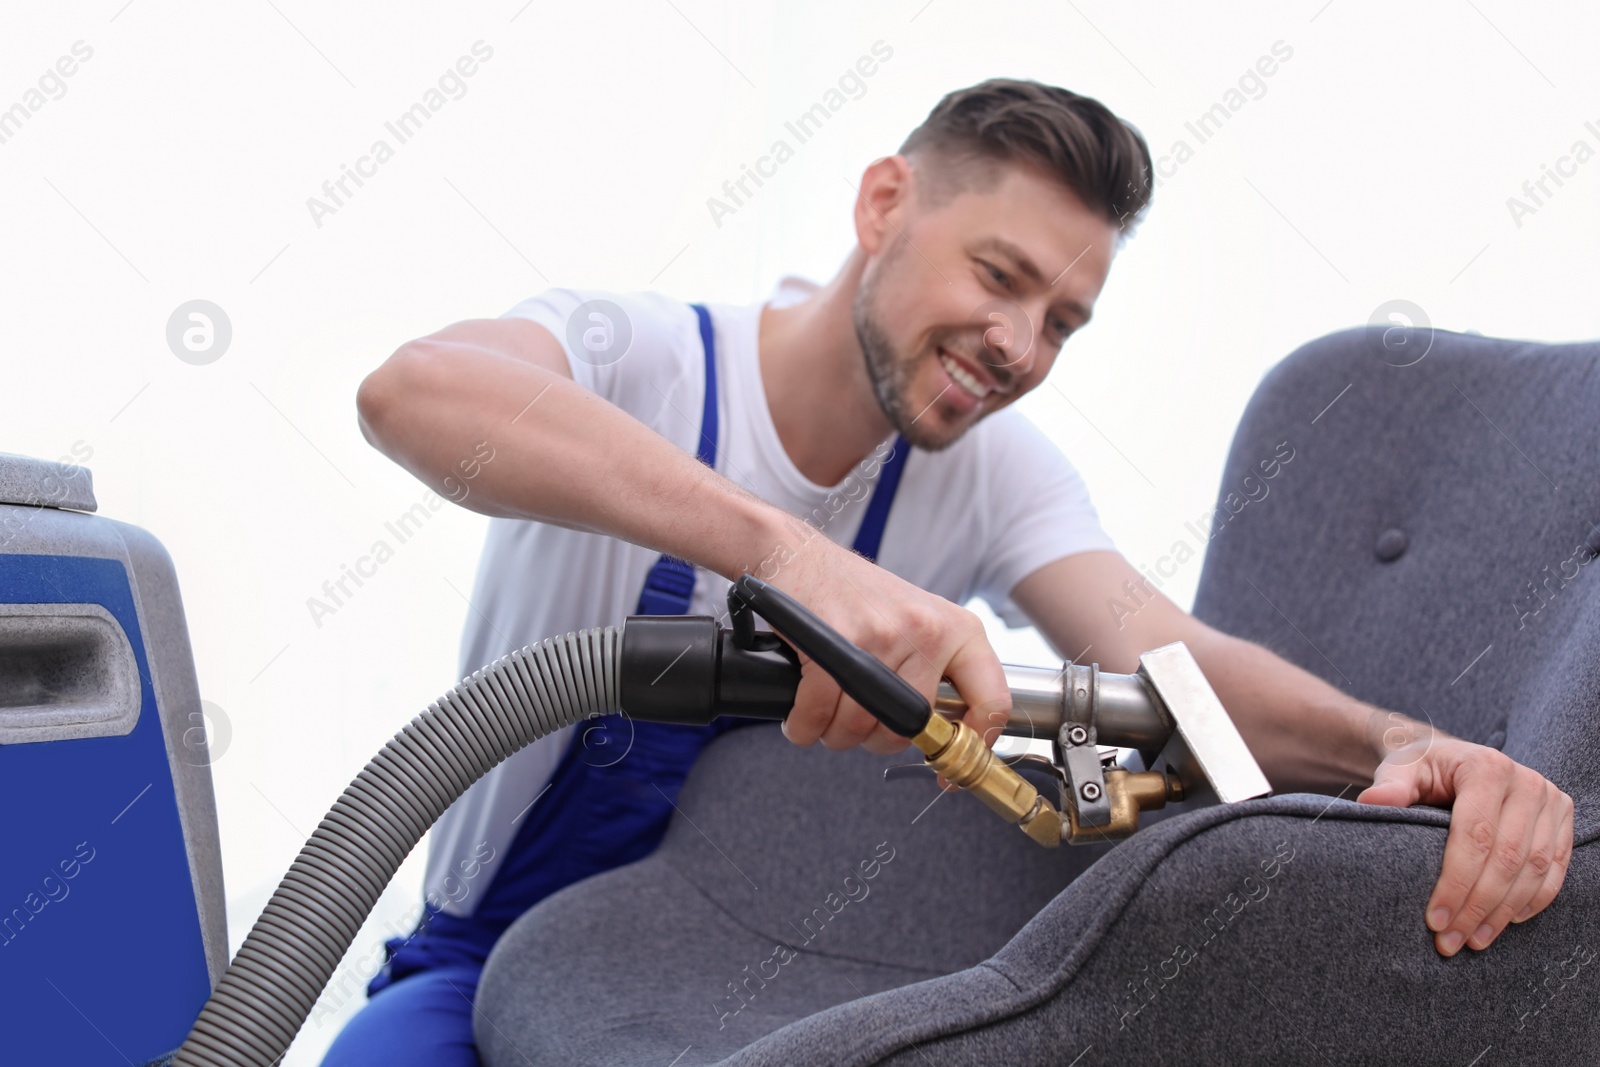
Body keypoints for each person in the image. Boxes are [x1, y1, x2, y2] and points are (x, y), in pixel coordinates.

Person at [325, 78, 1573, 1065]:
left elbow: (1173, 666)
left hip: (756, 975)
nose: (1021, 345)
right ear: (882, 206)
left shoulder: (991, 474)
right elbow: (412, 391)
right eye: (999, 277)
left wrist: (1404, 743)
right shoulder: (637, 357)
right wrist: (783, 550)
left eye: (1063, 323)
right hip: (482, 965)